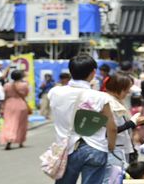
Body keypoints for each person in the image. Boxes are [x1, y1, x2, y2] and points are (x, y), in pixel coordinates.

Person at [48, 54, 117, 184]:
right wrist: (111, 147)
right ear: (93, 72)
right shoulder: (100, 97)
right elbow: (112, 127)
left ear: (70, 71)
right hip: (95, 147)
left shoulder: (54, 92)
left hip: (66, 148)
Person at [103, 72, 144, 184]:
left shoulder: (115, 101)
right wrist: (133, 123)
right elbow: (110, 130)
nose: (128, 92)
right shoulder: (108, 103)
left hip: (119, 148)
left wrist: (134, 123)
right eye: (126, 89)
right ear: (118, 88)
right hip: (113, 149)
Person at [0, 70, 30, 150]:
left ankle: (8, 139)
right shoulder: (24, 85)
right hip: (21, 104)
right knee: (21, 123)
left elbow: (4, 96)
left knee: (9, 122)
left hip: (9, 104)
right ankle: (20, 141)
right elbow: (26, 94)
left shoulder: (7, 85)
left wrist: (2, 107)